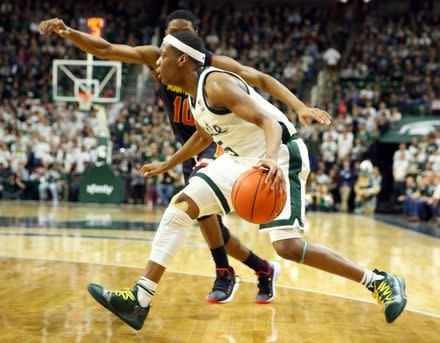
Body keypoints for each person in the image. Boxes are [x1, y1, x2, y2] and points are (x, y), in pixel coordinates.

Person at [83, 31, 406, 330]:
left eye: (162, 55)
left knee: (287, 247)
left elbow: (269, 121)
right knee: (182, 205)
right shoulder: (194, 95)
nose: (156, 62)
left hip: (278, 154)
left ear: (182, 59)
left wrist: (269, 156)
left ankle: (378, 281)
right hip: (238, 160)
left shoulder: (215, 83)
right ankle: (140, 298)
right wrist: (167, 163)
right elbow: (203, 135)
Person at [39, 10, 329, 304]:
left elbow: (262, 79)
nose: (172, 41)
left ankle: (222, 272)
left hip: (220, 141)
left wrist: (299, 106)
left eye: (181, 33)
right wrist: (69, 33)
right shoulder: (158, 57)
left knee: (197, 205)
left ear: (189, 45)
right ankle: (261, 268)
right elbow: (106, 48)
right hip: (192, 141)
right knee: (206, 219)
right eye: (170, 34)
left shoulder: (214, 69)